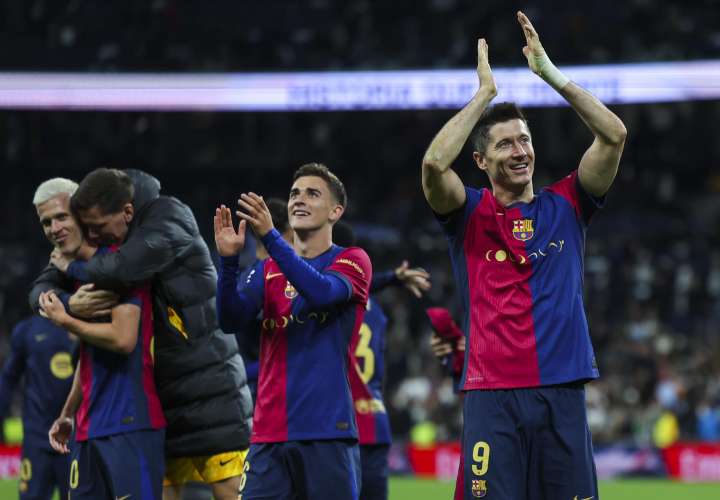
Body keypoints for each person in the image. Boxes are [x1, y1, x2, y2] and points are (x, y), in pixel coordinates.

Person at [421, 11, 627, 500]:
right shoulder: (469, 214)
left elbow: (614, 135)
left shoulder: (568, 204)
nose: (519, 151)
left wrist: (550, 75)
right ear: (481, 160)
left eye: (525, 140)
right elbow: (433, 164)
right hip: (492, 396)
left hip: (563, 391)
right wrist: (483, 98)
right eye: (505, 144)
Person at [29, 168, 253, 500]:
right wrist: (69, 301)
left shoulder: (165, 218)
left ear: (126, 211)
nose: (93, 234)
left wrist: (69, 288)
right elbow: (39, 290)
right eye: (47, 223)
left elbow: (121, 274)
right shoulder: (105, 243)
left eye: (96, 226)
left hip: (210, 393)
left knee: (231, 492)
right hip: (162, 402)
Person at [215, 163, 371, 500]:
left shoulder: (352, 260)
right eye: (294, 194)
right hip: (268, 433)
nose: (299, 200)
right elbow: (230, 319)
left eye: (312, 194)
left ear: (335, 211)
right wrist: (228, 263)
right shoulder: (267, 269)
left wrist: (271, 238)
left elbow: (322, 293)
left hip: (326, 431)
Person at [32, 177, 166, 498]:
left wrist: (65, 319)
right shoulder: (78, 275)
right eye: (46, 222)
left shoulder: (120, 263)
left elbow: (123, 340)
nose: (54, 227)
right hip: (88, 428)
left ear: (81, 214)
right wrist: (67, 413)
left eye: (61, 216)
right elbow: (89, 357)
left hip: (130, 423)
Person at [333, 221, 431, 500]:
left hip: (339, 422)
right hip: (374, 421)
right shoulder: (377, 312)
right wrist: (391, 278)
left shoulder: (329, 302)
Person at [0, 315, 76, 500]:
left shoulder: (83, 328)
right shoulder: (27, 330)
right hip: (38, 438)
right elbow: (9, 378)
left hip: (74, 438)